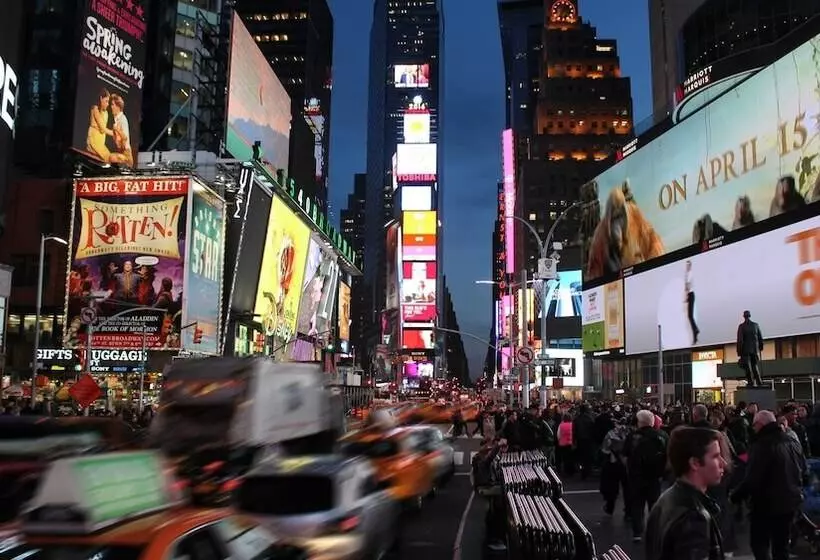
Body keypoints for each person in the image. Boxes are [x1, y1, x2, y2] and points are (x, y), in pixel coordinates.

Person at [731, 410, 806, 560]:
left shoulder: (761, 445)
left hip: (765, 506)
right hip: (790, 502)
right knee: (782, 546)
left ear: (760, 424)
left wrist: (736, 495)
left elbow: (753, 478)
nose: (753, 428)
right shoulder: (792, 442)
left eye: (754, 425)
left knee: (760, 544)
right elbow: (803, 470)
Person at [645, 427, 726, 560]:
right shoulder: (693, 517)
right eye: (716, 456)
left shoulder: (665, 500)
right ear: (695, 463)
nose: (723, 463)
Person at [624, 409, 668, 542]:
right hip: (654, 476)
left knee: (637, 504)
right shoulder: (661, 436)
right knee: (654, 504)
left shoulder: (633, 436)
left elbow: (625, 454)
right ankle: (655, 531)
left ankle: (637, 532)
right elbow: (668, 454)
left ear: (640, 421)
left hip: (636, 475)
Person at [737, 310, 763, 386]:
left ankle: (750, 382)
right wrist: (760, 347)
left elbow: (740, 340)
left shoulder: (741, 326)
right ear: (749, 316)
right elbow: (760, 338)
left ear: (744, 316)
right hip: (754, 350)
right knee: (754, 366)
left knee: (748, 367)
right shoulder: (756, 325)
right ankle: (759, 382)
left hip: (745, 350)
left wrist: (739, 352)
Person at [684, 260, 699, 344]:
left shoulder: (689, 274)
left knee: (690, 316)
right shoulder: (688, 274)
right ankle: (695, 331)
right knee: (690, 316)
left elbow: (688, 286)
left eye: (688, 265)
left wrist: (687, 296)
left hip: (691, 295)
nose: (687, 267)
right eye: (687, 265)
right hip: (690, 295)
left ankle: (695, 332)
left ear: (690, 266)